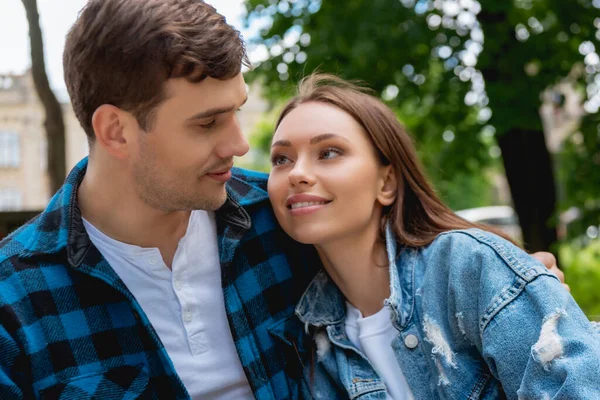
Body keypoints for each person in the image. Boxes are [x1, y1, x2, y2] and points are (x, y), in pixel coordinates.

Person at [0, 1, 565, 399]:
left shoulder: (285, 220)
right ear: (116, 131)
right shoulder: (15, 302)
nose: (240, 143)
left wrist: (516, 277)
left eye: (237, 110)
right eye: (207, 123)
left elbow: (418, 261)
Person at [266, 74, 600, 399]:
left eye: (328, 152)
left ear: (387, 183)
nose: (297, 174)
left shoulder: (468, 267)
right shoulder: (310, 340)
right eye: (281, 159)